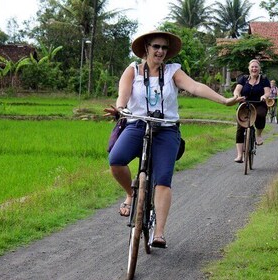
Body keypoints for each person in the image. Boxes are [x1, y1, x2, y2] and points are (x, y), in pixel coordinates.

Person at [103, 30, 242, 248]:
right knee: (116, 159)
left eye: (164, 48)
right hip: (138, 123)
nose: (160, 51)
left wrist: (224, 101)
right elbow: (124, 94)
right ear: (146, 48)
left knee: (163, 178)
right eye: (156, 46)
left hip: (166, 129)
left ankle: (159, 233)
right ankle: (131, 194)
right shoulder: (133, 70)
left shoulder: (172, 72)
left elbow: (195, 86)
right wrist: (120, 109)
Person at [232, 59, 271, 163]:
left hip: (259, 104)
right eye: (252, 67)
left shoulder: (264, 79)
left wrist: (264, 96)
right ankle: (240, 155)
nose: (254, 69)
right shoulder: (243, 79)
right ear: (249, 68)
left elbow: (268, 92)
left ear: (259, 69)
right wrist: (237, 96)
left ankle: (258, 135)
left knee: (260, 115)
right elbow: (237, 90)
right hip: (245, 105)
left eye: (256, 67)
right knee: (240, 128)